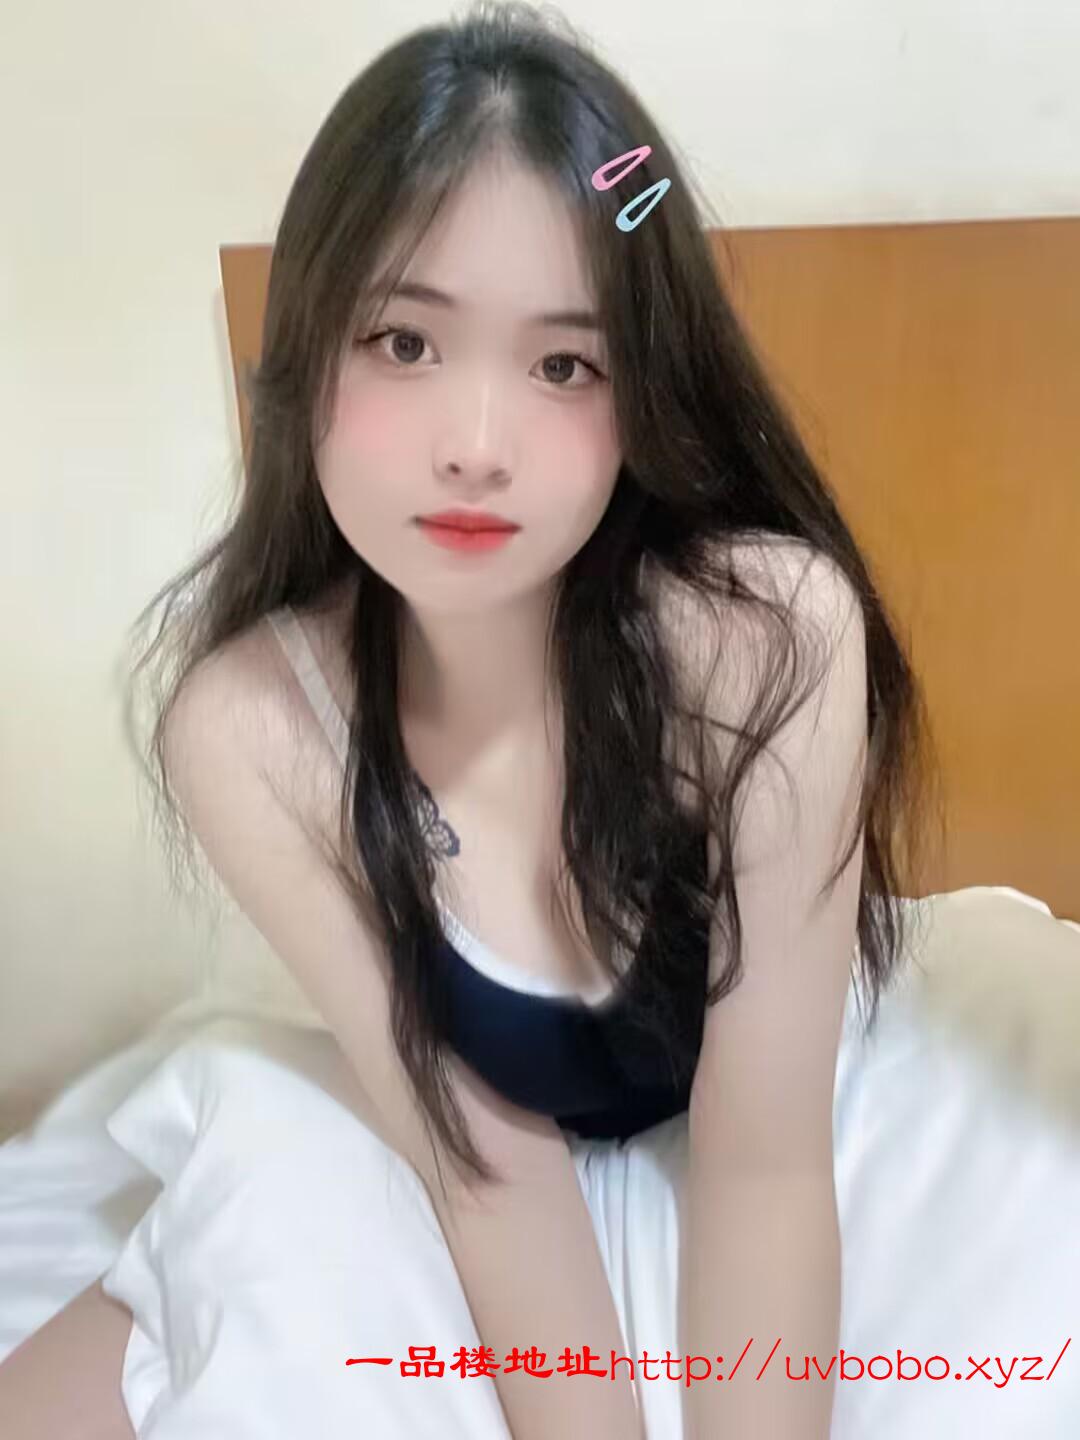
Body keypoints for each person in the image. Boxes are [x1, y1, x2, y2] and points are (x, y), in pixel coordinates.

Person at [0, 4, 936, 1437]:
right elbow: (480, 1162)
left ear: (645, 392)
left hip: (766, 1149)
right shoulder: (250, 727)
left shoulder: (764, 641)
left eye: (565, 365)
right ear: (308, 353)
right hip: (464, 1177)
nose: (477, 447)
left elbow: (763, 1161)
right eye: (404, 340)